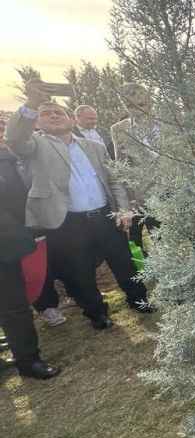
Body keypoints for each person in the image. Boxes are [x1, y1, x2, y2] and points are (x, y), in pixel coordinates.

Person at [6, 84, 153, 330]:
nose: (53, 115)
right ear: (37, 124)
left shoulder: (94, 146)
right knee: (80, 272)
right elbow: (14, 138)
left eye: (59, 112)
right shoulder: (35, 147)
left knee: (123, 261)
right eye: (46, 113)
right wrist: (31, 104)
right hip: (66, 222)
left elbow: (114, 179)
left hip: (105, 215)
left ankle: (138, 299)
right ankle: (97, 314)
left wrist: (123, 209)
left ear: (71, 120)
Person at [0, 141, 60, 379]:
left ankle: (28, 361)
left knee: (14, 307)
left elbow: (19, 199)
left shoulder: (7, 159)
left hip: (4, 245)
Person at [110, 83, 161, 255]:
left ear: (150, 100)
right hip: (144, 199)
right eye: (130, 106)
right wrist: (125, 206)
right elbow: (122, 168)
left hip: (177, 193)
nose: (137, 110)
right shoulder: (119, 130)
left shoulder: (170, 122)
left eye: (141, 104)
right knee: (160, 244)